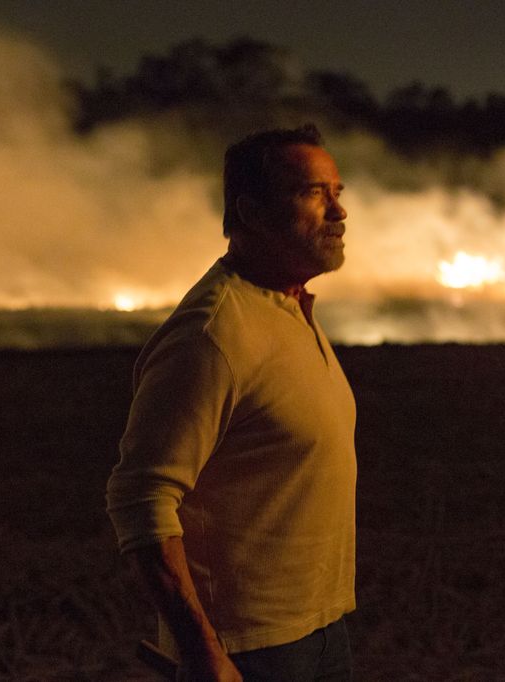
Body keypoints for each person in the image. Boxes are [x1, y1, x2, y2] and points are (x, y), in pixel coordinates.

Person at [106, 124, 357, 681]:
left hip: (324, 626)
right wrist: (203, 649)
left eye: (338, 192)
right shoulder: (213, 333)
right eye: (313, 193)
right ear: (252, 212)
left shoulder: (288, 305)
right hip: (248, 647)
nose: (339, 212)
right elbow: (141, 496)